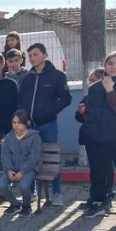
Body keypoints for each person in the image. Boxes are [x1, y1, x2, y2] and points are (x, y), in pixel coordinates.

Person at [18, 43, 72, 206]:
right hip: (29, 126)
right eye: (30, 56)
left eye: (35, 54)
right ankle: (32, 192)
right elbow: (21, 101)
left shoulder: (57, 76)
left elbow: (66, 99)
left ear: (45, 54)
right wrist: (23, 118)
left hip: (47, 124)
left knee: (51, 159)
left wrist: (49, 111)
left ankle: (57, 193)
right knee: (29, 158)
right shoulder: (27, 78)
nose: (33, 58)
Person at [78, 53, 116, 219]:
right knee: (100, 172)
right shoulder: (95, 87)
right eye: (110, 63)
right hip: (99, 138)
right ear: (105, 65)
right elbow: (91, 113)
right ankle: (99, 202)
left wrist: (110, 90)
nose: (113, 67)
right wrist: (84, 114)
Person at [76, 68, 115, 213]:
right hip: (90, 138)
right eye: (90, 80)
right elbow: (78, 116)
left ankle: (106, 197)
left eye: (94, 80)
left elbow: (104, 116)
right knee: (95, 169)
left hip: (104, 138)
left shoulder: (107, 95)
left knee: (105, 168)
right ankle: (94, 196)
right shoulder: (88, 96)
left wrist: (87, 112)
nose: (90, 83)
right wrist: (81, 112)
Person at [0, 110, 42, 218]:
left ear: (27, 123)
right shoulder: (8, 137)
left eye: (20, 122)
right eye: (14, 122)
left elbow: (34, 157)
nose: (16, 125)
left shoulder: (34, 137)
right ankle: (15, 204)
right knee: (1, 186)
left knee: (24, 186)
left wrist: (22, 171)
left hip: (28, 169)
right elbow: (5, 155)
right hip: (12, 168)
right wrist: (8, 170)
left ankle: (27, 206)